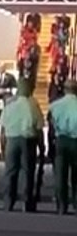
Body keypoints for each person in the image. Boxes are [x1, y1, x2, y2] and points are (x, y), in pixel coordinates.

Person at [0, 82, 43, 212]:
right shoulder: (33, 106)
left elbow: (2, 129)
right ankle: (26, 202)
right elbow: (39, 127)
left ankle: (8, 202)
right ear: (30, 91)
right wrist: (41, 146)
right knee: (27, 172)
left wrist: (3, 146)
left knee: (10, 172)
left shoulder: (9, 106)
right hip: (28, 141)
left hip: (12, 140)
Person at [48, 80, 77, 214]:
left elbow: (51, 125)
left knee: (61, 174)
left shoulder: (55, 106)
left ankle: (61, 205)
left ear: (64, 90)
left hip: (61, 140)